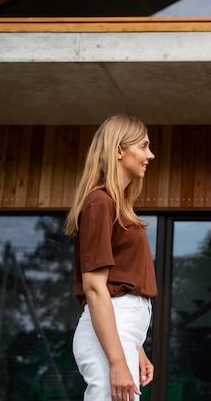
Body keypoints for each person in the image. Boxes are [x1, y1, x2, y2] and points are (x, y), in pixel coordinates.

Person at [66, 113, 158, 401]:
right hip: (107, 332)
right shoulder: (99, 203)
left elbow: (120, 283)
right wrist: (118, 361)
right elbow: (95, 288)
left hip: (121, 332)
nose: (150, 155)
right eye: (143, 146)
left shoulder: (116, 206)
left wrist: (137, 347)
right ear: (119, 150)